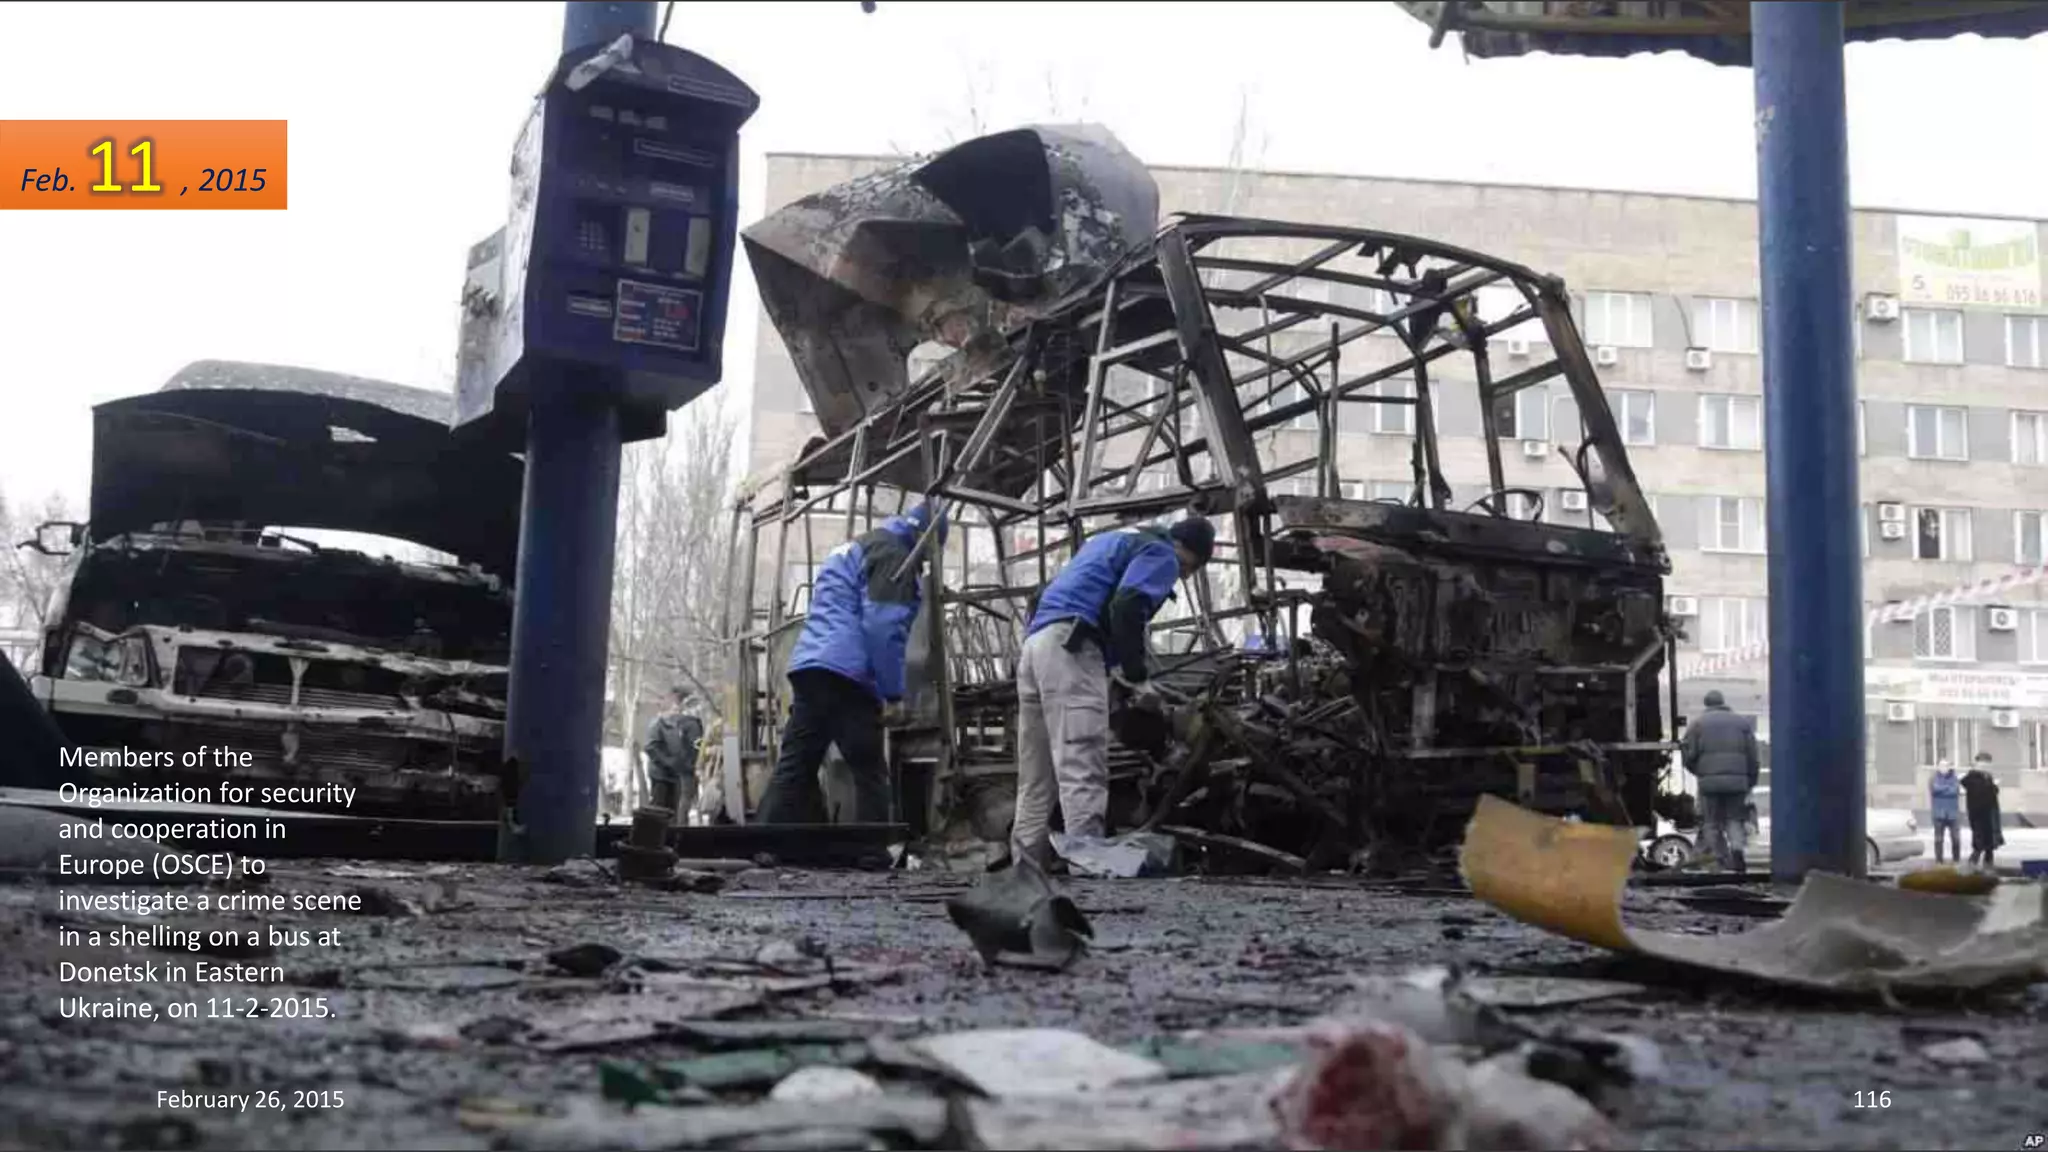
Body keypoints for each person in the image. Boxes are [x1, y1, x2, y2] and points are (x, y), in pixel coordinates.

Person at [1009, 514, 1216, 869]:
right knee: (1082, 763)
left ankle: (1024, 871)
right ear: (1186, 550)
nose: (1180, 575)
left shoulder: (1109, 540)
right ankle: (1087, 866)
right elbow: (1128, 604)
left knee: (1036, 777)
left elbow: (1048, 593)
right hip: (1072, 647)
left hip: (1035, 646)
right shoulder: (1161, 552)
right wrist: (1138, 679)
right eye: (1187, 569)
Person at [756, 501, 941, 827]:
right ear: (924, 537)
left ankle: (763, 842)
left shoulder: (861, 544)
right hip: (847, 673)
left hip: (810, 666)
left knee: (795, 765)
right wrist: (894, 694)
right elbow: (883, 627)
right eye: (930, 551)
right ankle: (873, 850)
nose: (926, 561)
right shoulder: (894, 554)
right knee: (869, 768)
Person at [1679, 689, 1761, 873]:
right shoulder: (1742, 723)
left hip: (1709, 783)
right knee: (1734, 820)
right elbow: (1753, 756)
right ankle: (1737, 851)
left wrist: (1700, 772)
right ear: (1723, 702)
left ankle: (1717, 859)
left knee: (1711, 822)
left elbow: (1687, 754)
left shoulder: (1697, 724)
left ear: (1706, 704)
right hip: (1737, 783)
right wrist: (1750, 780)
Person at [642, 685, 705, 821]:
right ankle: (658, 836)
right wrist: (670, 762)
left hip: (676, 772)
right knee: (660, 808)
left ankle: (672, 835)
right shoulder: (660, 723)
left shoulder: (684, 723)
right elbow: (651, 747)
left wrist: (690, 762)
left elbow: (694, 745)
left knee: (673, 809)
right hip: (662, 773)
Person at [1961, 752, 2004, 869]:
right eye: (1984, 763)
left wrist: (1993, 787)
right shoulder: (1972, 778)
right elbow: (1982, 794)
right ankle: (1970, 867)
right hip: (1979, 816)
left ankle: (1988, 867)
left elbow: (1992, 795)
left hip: (1990, 815)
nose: (1987, 766)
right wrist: (1993, 787)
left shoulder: (1987, 777)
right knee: (1978, 845)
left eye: (1988, 763)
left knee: (1990, 846)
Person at [1928, 759, 1962, 864]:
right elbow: (1934, 790)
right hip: (1938, 813)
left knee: (1956, 838)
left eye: (1946, 765)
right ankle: (1939, 860)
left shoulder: (1954, 778)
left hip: (1953, 813)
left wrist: (1942, 789)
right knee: (1939, 839)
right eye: (1941, 765)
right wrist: (1948, 788)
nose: (1944, 768)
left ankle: (1956, 859)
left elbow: (1955, 791)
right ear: (1938, 767)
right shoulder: (1933, 778)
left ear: (1949, 767)